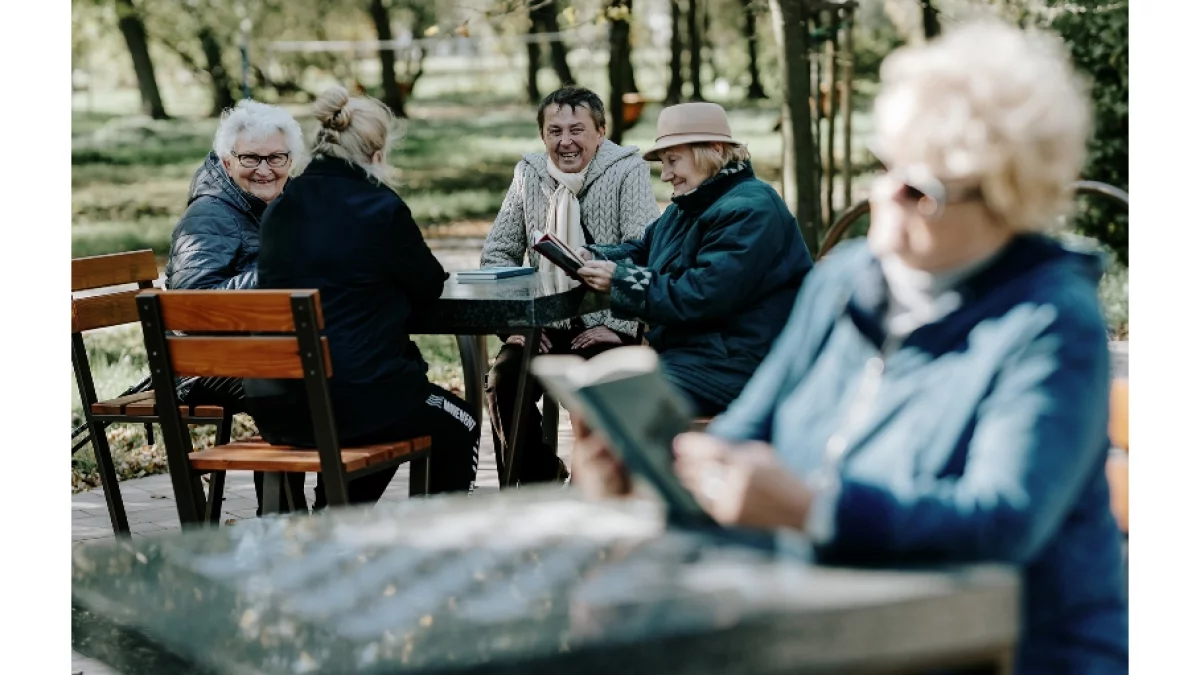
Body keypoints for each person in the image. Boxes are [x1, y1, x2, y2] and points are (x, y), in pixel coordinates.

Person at [574, 20, 1127, 674]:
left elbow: (1001, 522)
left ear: (1007, 200)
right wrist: (657, 474)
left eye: (920, 188)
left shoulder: (1048, 322)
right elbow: (744, 433)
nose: (882, 197)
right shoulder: (845, 279)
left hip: (1006, 646)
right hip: (834, 625)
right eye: (885, 166)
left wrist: (815, 510)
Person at [243, 86, 481, 508]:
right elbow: (428, 284)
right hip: (357, 402)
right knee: (456, 421)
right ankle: (441, 551)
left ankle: (336, 517)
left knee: (384, 404)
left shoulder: (282, 207)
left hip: (280, 408)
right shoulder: (380, 208)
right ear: (377, 153)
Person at [575, 101, 813, 417]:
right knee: (591, 394)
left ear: (712, 150)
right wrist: (587, 256)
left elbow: (703, 295)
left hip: (741, 366)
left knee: (611, 401)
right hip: (693, 357)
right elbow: (644, 249)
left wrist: (620, 280)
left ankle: (654, 466)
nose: (666, 175)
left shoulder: (750, 209)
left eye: (673, 161)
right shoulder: (687, 206)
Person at [480, 85, 660, 484]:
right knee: (503, 381)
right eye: (554, 131)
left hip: (608, 323)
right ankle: (538, 479)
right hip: (542, 325)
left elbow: (644, 254)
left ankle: (591, 490)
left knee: (600, 380)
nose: (566, 141)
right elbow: (497, 254)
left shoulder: (627, 169)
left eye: (577, 130)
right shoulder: (529, 172)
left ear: (601, 130)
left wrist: (621, 326)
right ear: (543, 135)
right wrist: (514, 327)